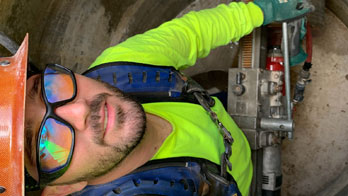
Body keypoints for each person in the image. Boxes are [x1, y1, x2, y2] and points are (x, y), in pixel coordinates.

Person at [24, 0, 313, 195]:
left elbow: (190, 34)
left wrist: (261, 11)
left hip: (214, 123)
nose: (79, 109)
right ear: (57, 189)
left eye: (49, 88)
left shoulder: (122, 68)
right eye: (46, 142)